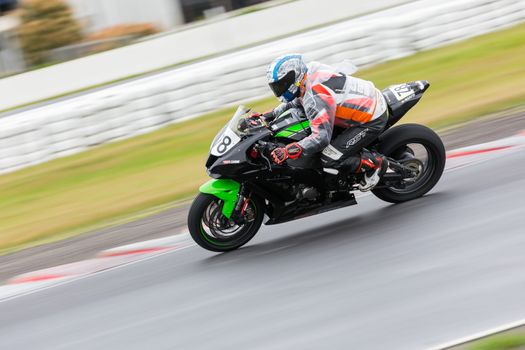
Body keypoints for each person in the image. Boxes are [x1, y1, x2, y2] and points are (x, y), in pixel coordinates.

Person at [254, 53, 389, 191]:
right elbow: (298, 100)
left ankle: (376, 163)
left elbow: (321, 138)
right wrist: (272, 113)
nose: (279, 89)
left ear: (294, 78)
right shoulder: (309, 72)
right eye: (276, 86)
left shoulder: (315, 97)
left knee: (328, 158)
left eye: (281, 84)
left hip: (370, 118)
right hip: (368, 99)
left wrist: (289, 151)